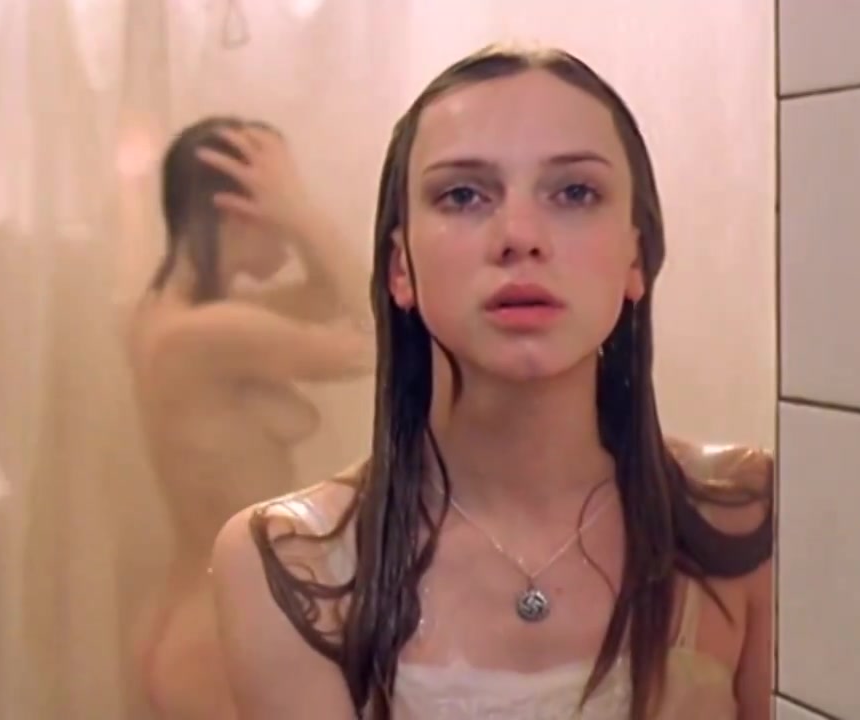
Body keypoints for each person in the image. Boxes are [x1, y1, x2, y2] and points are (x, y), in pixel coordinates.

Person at [211, 45, 774, 720]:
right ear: (401, 268)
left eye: (575, 193)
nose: (520, 236)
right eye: (463, 195)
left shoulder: (742, 515)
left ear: (636, 255)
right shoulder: (294, 562)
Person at [127, 116, 373, 720]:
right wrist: (303, 215)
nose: (287, 231)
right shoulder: (210, 333)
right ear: (238, 209)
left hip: (195, 611)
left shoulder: (166, 318)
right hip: (216, 629)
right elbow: (384, 338)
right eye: (279, 197)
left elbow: (325, 297)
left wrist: (293, 210)